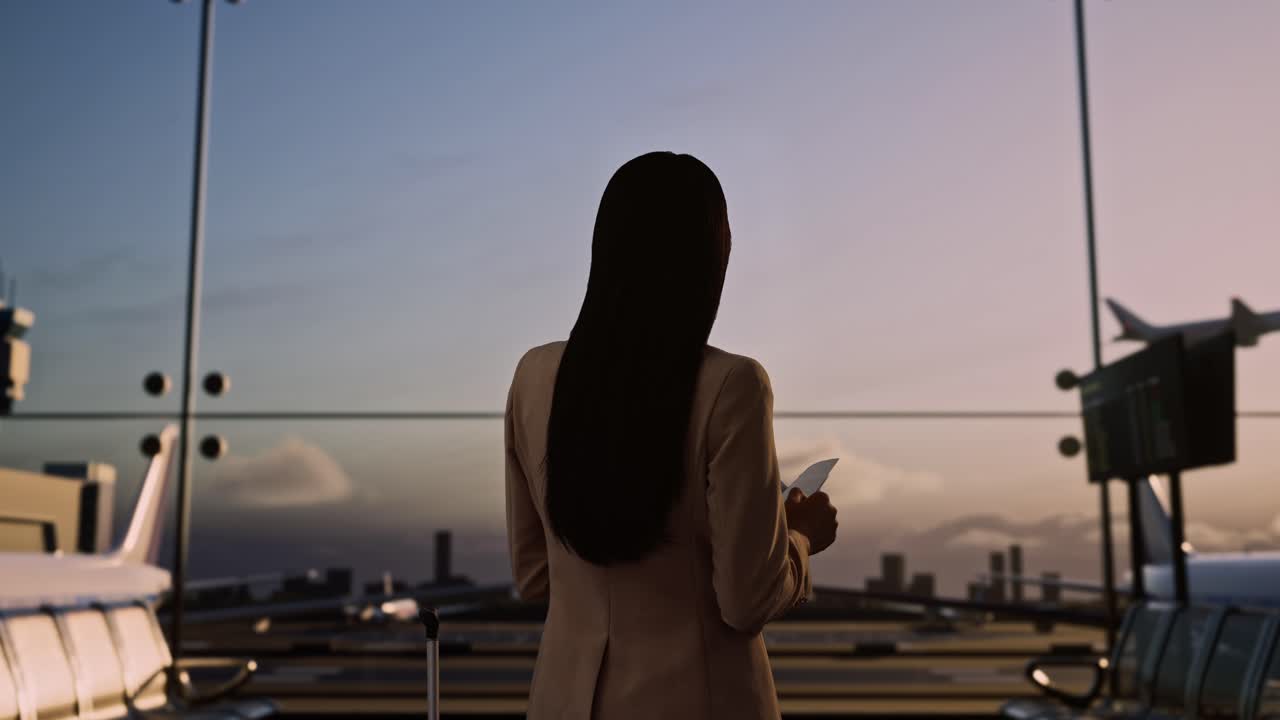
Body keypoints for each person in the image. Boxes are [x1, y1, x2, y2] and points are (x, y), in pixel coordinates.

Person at [504, 151, 839, 719]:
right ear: (710, 258)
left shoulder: (534, 376)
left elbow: (535, 577)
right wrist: (800, 539)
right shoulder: (733, 385)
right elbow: (745, 600)